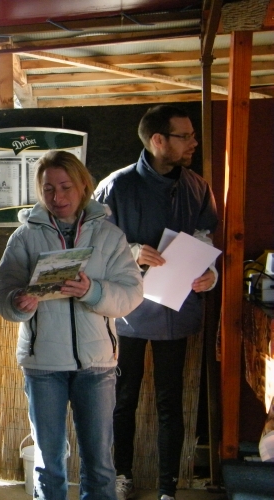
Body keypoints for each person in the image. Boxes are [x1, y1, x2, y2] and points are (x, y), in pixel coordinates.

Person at [0, 150, 143, 500]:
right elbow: (2, 295)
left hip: (97, 364)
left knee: (100, 464)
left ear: (83, 186)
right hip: (43, 364)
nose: (57, 197)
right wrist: (18, 302)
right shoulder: (24, 237)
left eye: (65, 187)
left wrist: (93, 291)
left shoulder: (110, 236)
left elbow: (132, 293)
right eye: (48, 189)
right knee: (49, 463)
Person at [94, 105, 219, 500]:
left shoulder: (198, 187)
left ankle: (168, 487)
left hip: (176, 310)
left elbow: (206, 237)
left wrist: (210, 274)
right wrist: (132, 252)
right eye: (186, 136)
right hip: (126, 312)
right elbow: (92, 244)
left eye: (193, 135)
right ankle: (121, 476)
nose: (193, 143)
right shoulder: (116, 186)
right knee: (123, 398)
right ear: (158, 140)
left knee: (170, 401)